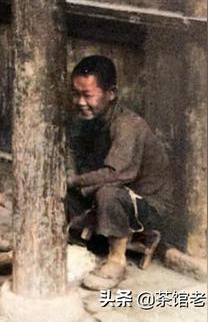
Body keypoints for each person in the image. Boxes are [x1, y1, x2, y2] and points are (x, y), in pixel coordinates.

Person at [67, 55, 173, 290]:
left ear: (111, 93)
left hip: (148, 205)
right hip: (118, 194)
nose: (80, 102)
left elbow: (118, 175)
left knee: (107, 192)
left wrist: (72, 181)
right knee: (66, 190)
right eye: (76, 94)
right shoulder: (94, 120)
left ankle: (117, 260)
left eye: (88, 95)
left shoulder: (128, 125)